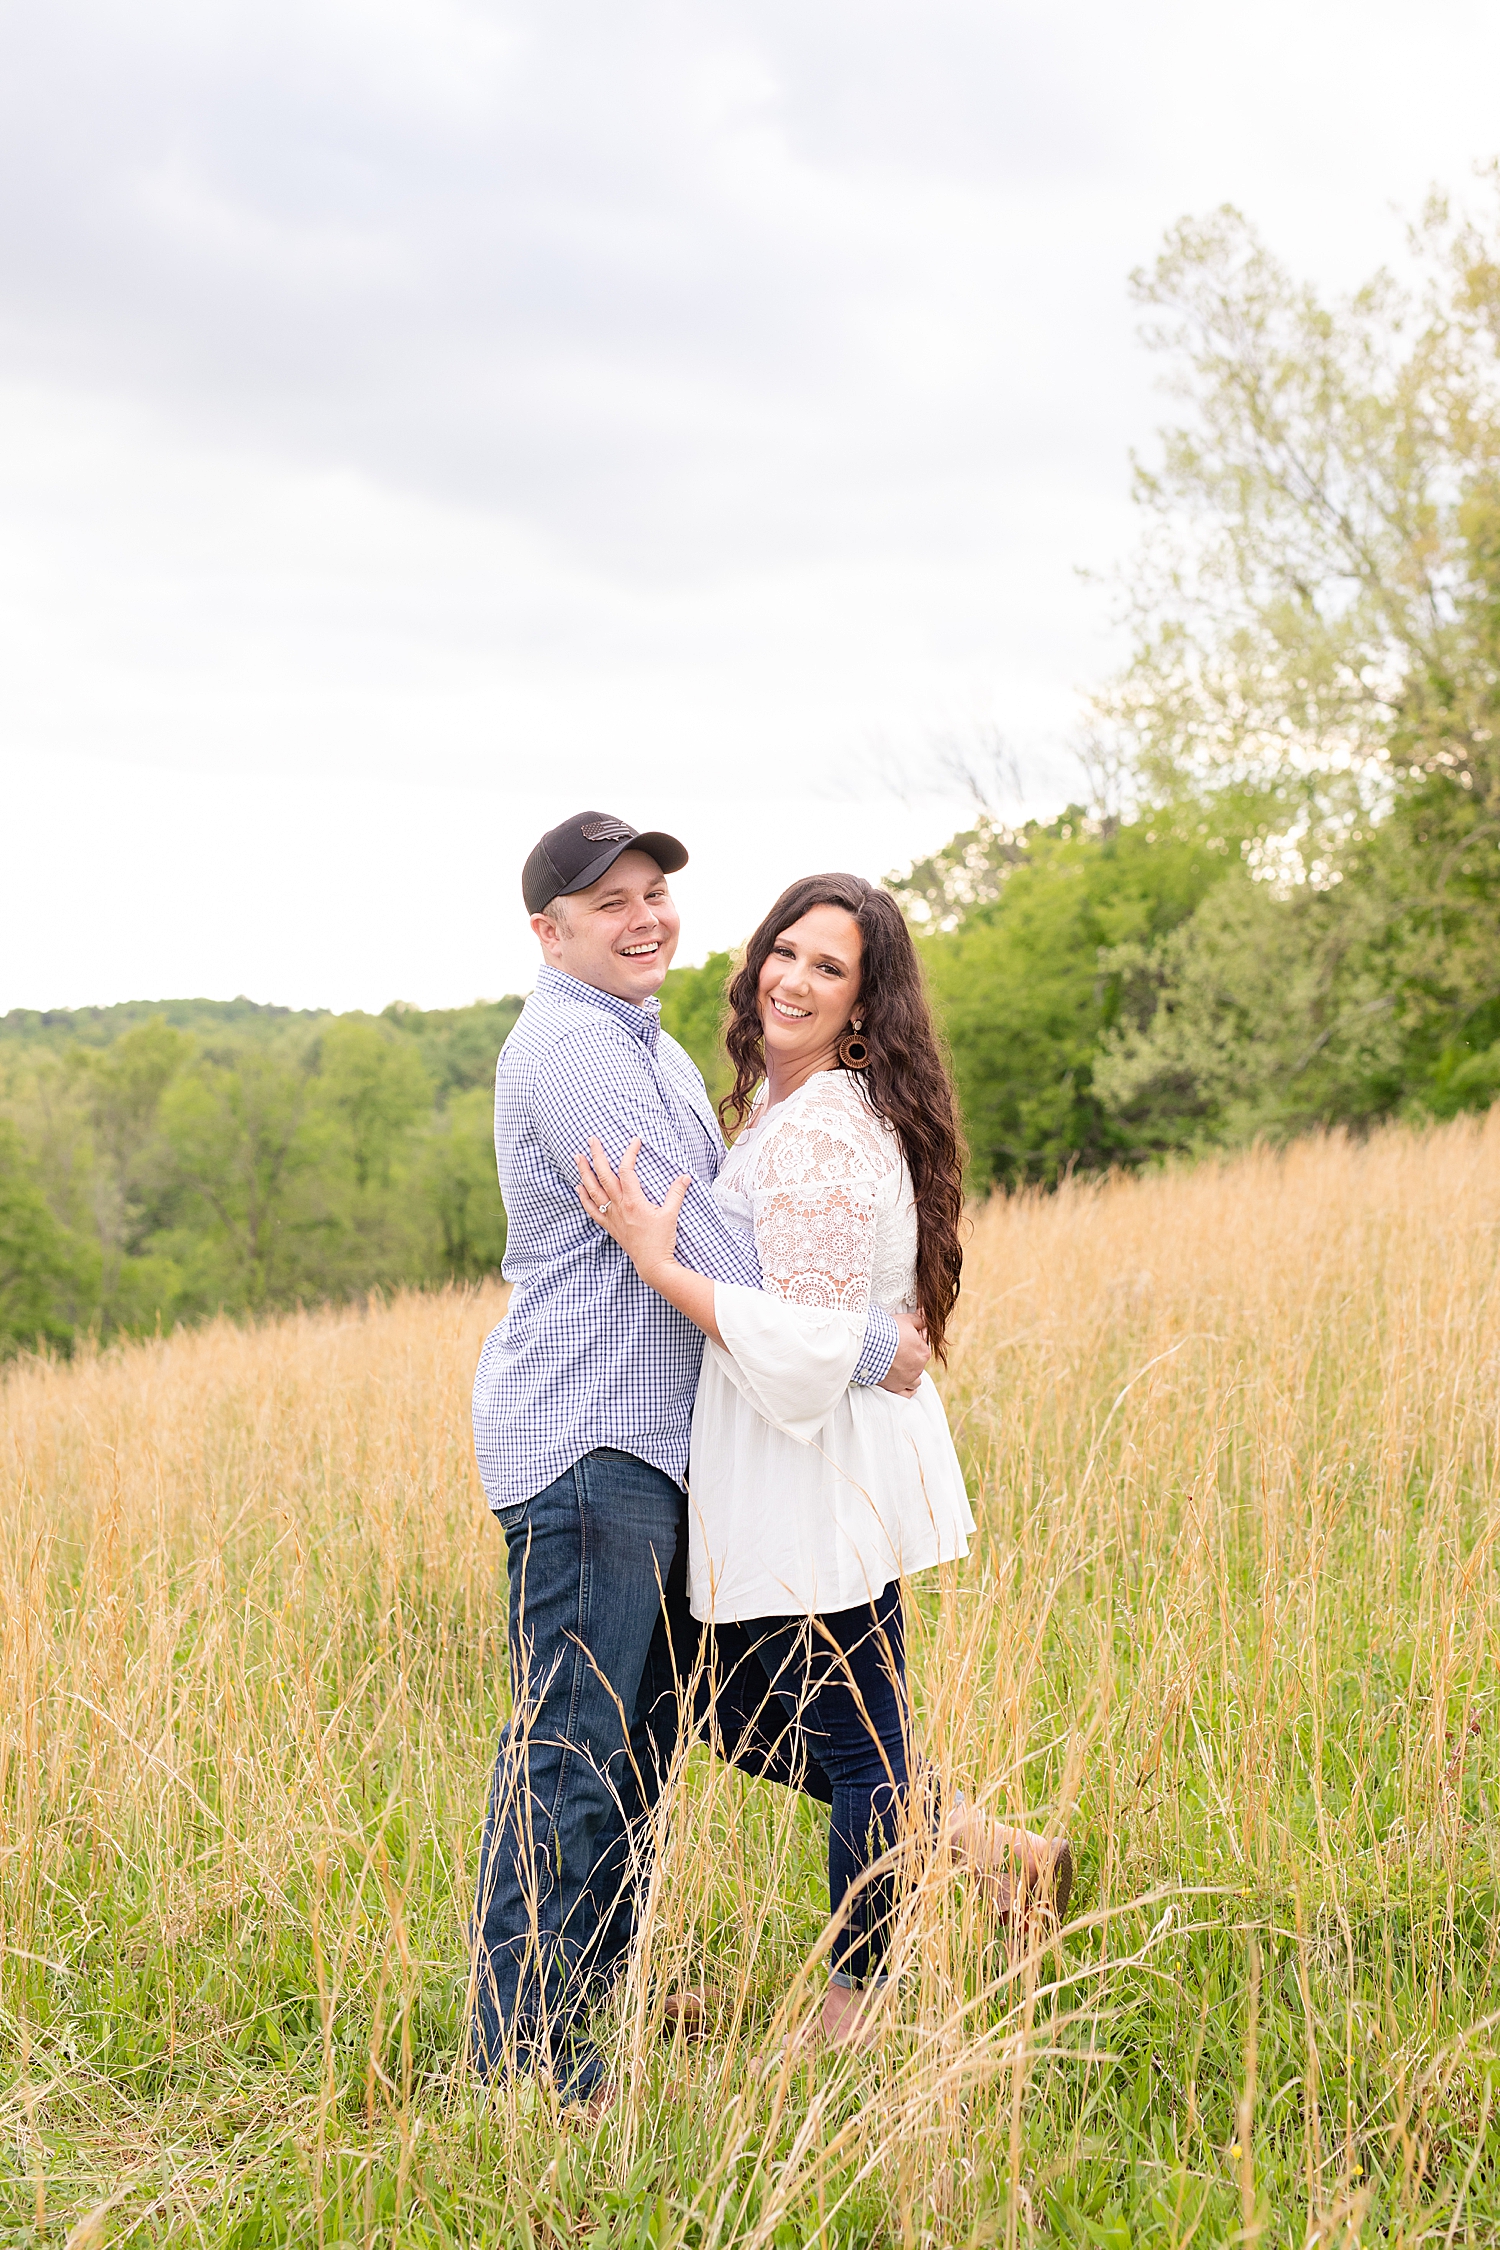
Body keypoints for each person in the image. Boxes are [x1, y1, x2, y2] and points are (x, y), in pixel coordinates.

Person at [469, 813, 932, 2110]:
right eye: (607, 900)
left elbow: (713, 1224)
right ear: (549, 930)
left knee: (634, 1753)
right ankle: (531, 2063)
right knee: (576, 1745)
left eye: (655, 890)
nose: (644, 915)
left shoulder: (651, 1042)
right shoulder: (576, 1049)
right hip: (592, 1439)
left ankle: (584, 2029)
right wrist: (854, 1341)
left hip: (655, 1455)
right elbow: (713, 1251)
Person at [575, 872, 1074, 2043]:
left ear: (864, 1007)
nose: (793, 980)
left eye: (829, 967)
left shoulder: (823, 1137)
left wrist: (660, 1264)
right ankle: (999, 1857)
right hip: (794, 1463)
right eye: (783, 953)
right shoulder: (790, 1113)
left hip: (819, 1472)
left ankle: (859, 2002)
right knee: (741, 1715)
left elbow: (811, 1337)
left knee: (856, 1740)